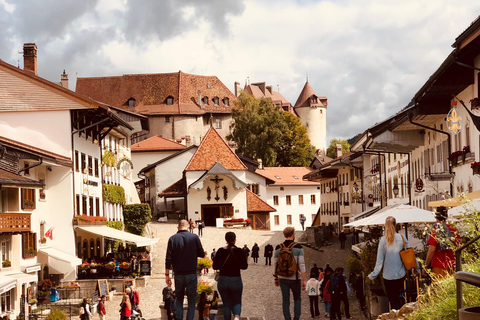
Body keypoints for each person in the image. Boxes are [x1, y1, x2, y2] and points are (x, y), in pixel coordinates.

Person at [165, 219, 205, 320]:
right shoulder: (194, 237)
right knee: (191, 300)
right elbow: (201, 254)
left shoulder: (172, 239)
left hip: (178, 274)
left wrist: (167, 275)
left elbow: (168, 258)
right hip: (191, 273)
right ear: (188, 227)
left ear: (178, 228)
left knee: (179, 298)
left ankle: (179, 319)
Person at [368, 216, 408, 310]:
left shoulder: (383, 240)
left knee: (392, 299)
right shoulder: (402, 237)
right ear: (396, 225)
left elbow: (380, 261)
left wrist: (373, 275)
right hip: (400, 273)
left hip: (388, 275)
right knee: (399, 297)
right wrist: (417, 268)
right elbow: (410, 254)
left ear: (385, 226)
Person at [212, 231, 248, 320]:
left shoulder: (220, 251)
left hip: (223, 279)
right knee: (237, 301)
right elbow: (244, 266)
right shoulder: (239, 251)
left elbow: (215, 266)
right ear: (235, 240)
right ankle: (236, 316)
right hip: (235, 279)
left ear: (226, 240)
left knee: (226, 303)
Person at [274, 227, 307, 320]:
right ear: (293, 234)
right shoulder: (298, 247)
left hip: (282, 277)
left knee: (285, 300)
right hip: (295, 278)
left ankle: (287, 318)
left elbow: (275, 264)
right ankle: (296, 318)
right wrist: (304, 280)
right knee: (297, 299)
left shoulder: (278, 247)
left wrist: (276, 278)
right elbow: (301, 264)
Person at [423, 206, 461, 278]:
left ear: (436, 217)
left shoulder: (436, 230)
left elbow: (432, 249)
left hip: (439, 265)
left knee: (439, 287)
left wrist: (425, 266)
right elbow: (459, 246)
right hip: (452, 265)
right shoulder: (454, 229)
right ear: (446, 216)